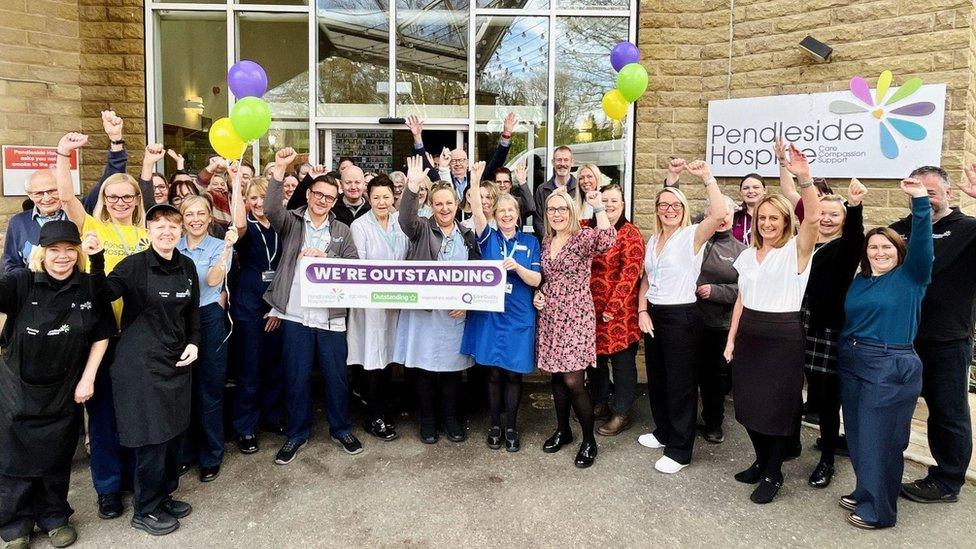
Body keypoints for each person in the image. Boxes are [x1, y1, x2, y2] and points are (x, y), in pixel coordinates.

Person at [87, 202, 199, 536]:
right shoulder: (133, 266)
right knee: (153, 438)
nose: (167, 232)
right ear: (148, 231)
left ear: (180, 231)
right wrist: (94, 260)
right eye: (159, 226)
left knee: (174, 434)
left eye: (173, 226)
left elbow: (192, 311)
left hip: (177, 361)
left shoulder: (187, 266)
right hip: (140, 365)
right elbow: (103, 294)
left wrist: (194, 343)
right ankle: (145, 509)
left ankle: (163, 495)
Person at [0, 221, 115, 549]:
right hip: (16, 390)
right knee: (13, 461)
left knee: (55, 456)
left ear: (77, 252)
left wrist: (88, 377)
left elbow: (102, 333)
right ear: (42, 253)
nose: (62, 257)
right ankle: (15, 527)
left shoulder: (88, 286)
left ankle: (54, 518)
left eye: (69, 250)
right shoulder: (22, 282)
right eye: (54, 250)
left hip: (64, 388)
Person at [56, 132, 152, 520]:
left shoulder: (147, 234)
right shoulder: (93, 226)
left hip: (138, 336)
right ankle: (108, 489)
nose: (121, 202)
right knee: (103, 415)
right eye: (114, 197)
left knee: (132, 412)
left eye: (128, 197)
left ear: (137, 200)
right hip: (100, 335)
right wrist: (64, 155)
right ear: (105, 201)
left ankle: (131, 478)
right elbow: (65, 199)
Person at [723, 143, 821, 504]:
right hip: (749, 336)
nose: (766, 224)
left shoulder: (796, 250)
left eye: (773, 218)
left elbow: (812, 218)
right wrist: (731, 340)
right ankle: (761, 461)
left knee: (776, 410)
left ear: (784, 221)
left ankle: (774, 471)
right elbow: (741, 300)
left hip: (782, 339)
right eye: (761, 218)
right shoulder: (748, 255)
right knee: (748, 407)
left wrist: (804, 178)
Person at [836, 177, 932, 529]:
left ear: (899, 251)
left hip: (889, 365)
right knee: (860, 435)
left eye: (887, 247)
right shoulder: (861, 279)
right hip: (853, 359)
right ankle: (865, 491)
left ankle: (880, 511)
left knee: (882, 440)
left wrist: (920, 201)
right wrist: (854, 207)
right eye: (873, 247)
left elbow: (923, 244)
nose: (879, 252)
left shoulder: (911, 277)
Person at [265, 147, 363, 465]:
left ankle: (341, 429)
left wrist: (327, 259)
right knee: (296, 376)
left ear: (335, 202)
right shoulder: (292, 222)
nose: (322, 201)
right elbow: (270, 208)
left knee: (336, 377)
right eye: (318, 194)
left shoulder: (342, 231)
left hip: (331, 318)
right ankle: (296, 434)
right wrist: (280, 170)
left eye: (329, 197)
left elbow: (353, 267)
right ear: (309, 195)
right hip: (295, 314)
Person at [635, 160, 728, 474]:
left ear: (684, 208)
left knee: (680, 385)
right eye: (664, 204)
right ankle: (664, 432)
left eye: (675, 205)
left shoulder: (692, 236)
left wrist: (707, 178)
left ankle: (680, 449)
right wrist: (642, 309)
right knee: (658, 380)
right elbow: (647, 278)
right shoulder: (653, 240)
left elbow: (717, 214)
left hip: (681, 317)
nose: (669, 209)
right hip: (656, 315)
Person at [895, 165, 976, 505]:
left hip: (947, 339)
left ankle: (947, 480)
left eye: (930, 192)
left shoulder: (968, 229)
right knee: (895, 403)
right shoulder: (902, 229)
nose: (924, 199)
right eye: (917, 191)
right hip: (903, 336)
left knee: (947, 412)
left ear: (948, 194)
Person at [396, 155, 479, 444]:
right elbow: (404, 218)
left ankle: (451, 420)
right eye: (438, 203)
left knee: (452, 372)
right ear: (432, 206)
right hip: (426, 313)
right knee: (426, 370)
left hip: (454, 314)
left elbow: (478, 276)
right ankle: (427, 422)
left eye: (449, 203)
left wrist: (468, 303)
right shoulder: (420, 229)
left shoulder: (467, 236)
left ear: (457, 205)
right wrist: (412, 185)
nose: (444, 208)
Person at [460, 162, 541, 452]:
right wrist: (475, 179)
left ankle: (511, 427)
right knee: (493, 372)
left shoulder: (531, 242)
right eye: (501, 211)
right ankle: (494, 424)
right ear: (496, 214)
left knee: (513, 373)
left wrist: (517, 267)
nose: (506, 215)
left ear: (518, 215)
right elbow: (478, 213)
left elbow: (536, 278)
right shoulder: (487, 237)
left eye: (511, 211)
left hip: (519, 316)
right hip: (491, 314)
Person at [534, 187, 615, 468]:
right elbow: (547, 277)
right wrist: (540, 292)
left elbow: (607, 239)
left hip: (576, 316)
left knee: (573, 381)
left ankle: (589, 439)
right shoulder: (546, 241)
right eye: (552, 209)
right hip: (551, 316)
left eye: (562, 209)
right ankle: (563, 430)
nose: (557, 214)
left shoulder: (581, 238)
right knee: (556, 377)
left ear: (571, 211)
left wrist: (598, 207)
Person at [799, 177, 867, 489]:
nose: (826, 218)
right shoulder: (802, 242)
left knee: (827, 400)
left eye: (833, 215)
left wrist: (854, 207)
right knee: (792, 391)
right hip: (794, 325)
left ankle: (827, 458)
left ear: (841, 221)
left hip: (825, 329)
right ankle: (789, 444)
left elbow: (855, 237)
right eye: (821, 213)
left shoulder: (845, 248)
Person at [3, 111, 128, 273]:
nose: (46, 198)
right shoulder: (18, 223)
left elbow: (111, 182)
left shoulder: (81, 211)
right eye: (39, 193)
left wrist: (116, 140)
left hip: (78, 292)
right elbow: (10, 265)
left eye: (52, 191)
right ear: (30, 195)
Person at [176, 195, 241, 483]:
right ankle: (185, 452)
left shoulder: (218, 246)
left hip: (209, 318)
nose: (195, 219)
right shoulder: (172, 246)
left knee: (209, 388)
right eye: (189, 214)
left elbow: (214, 280)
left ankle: (211, 454)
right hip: (176, 321)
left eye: (201, 213)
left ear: (209, 216)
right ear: (182, 218)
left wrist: (227, 249)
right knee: (182, 390)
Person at [348, 175, 409, 441]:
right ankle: (374, 417)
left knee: (390, 358)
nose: (382, 202)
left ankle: (385, 409)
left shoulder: (400, 222)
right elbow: (360, 268)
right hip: (370, 305)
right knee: (373, 358)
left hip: (398, 303)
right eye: (376, 197)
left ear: (393, 197)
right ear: (368, 199)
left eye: (386, 197)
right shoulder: (359, 225)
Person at [230, 178, 285, 454]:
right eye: (253, 198)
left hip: (277, 301)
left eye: (263, 198)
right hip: (248, 303)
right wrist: (235, 182)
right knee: (249, 368)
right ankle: (246, 427)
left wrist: (277, 306)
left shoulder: (281, 226)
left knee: (275, 365)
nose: (259, 203)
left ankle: (272, 417)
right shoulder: (244, 227)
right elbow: (238, 224)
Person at [586, 183, 644, 437]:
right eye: (604, 200)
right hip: (589, 308)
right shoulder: (587, 228)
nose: (608, 205)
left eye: (614, 201)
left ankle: (621, 411)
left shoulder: (630, 234)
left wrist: (613, 306)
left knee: (622, 364)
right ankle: (600, 402)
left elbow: (630, 275)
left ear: (622, 204)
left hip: (620, 311)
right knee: (595, 362)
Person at [693, 194, 746, 445]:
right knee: (686, 374)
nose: (722, 218)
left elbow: (746, 290)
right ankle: (684, 419)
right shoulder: (694, 240)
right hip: (688, 320)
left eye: (727, 213)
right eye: (717, 212)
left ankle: (714, 422)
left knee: (714, 378)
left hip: (718, 325)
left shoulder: (741, 251)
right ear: (707, 215)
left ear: (734, 215)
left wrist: (716, 291)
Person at [407, 113, 515, 199]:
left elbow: (497, 161)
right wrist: (417, 136)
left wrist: (506, 135)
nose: (458, 164)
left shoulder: (477, 178)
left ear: (467, 163)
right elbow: (425, 164)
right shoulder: (440, 178)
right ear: (448, 163)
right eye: (454, 161)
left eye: (461, 160)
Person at [665, 158, 766, 245]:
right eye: (746, 188)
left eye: (756, 187)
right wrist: (672, 178)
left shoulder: (773, 214)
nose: (751, 191)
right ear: (740, 191)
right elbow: (683, 219)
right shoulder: (731, 212)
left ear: (765, 191)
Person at [532, 146, 576, 236]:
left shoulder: (579, 189)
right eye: (559, 160)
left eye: (566, 160)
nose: (562, 163)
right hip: (550, 244)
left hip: (575, 244)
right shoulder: (542, 189)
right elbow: (538, 222)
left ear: (572, 162)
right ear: (553, 162)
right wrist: (551, 240)